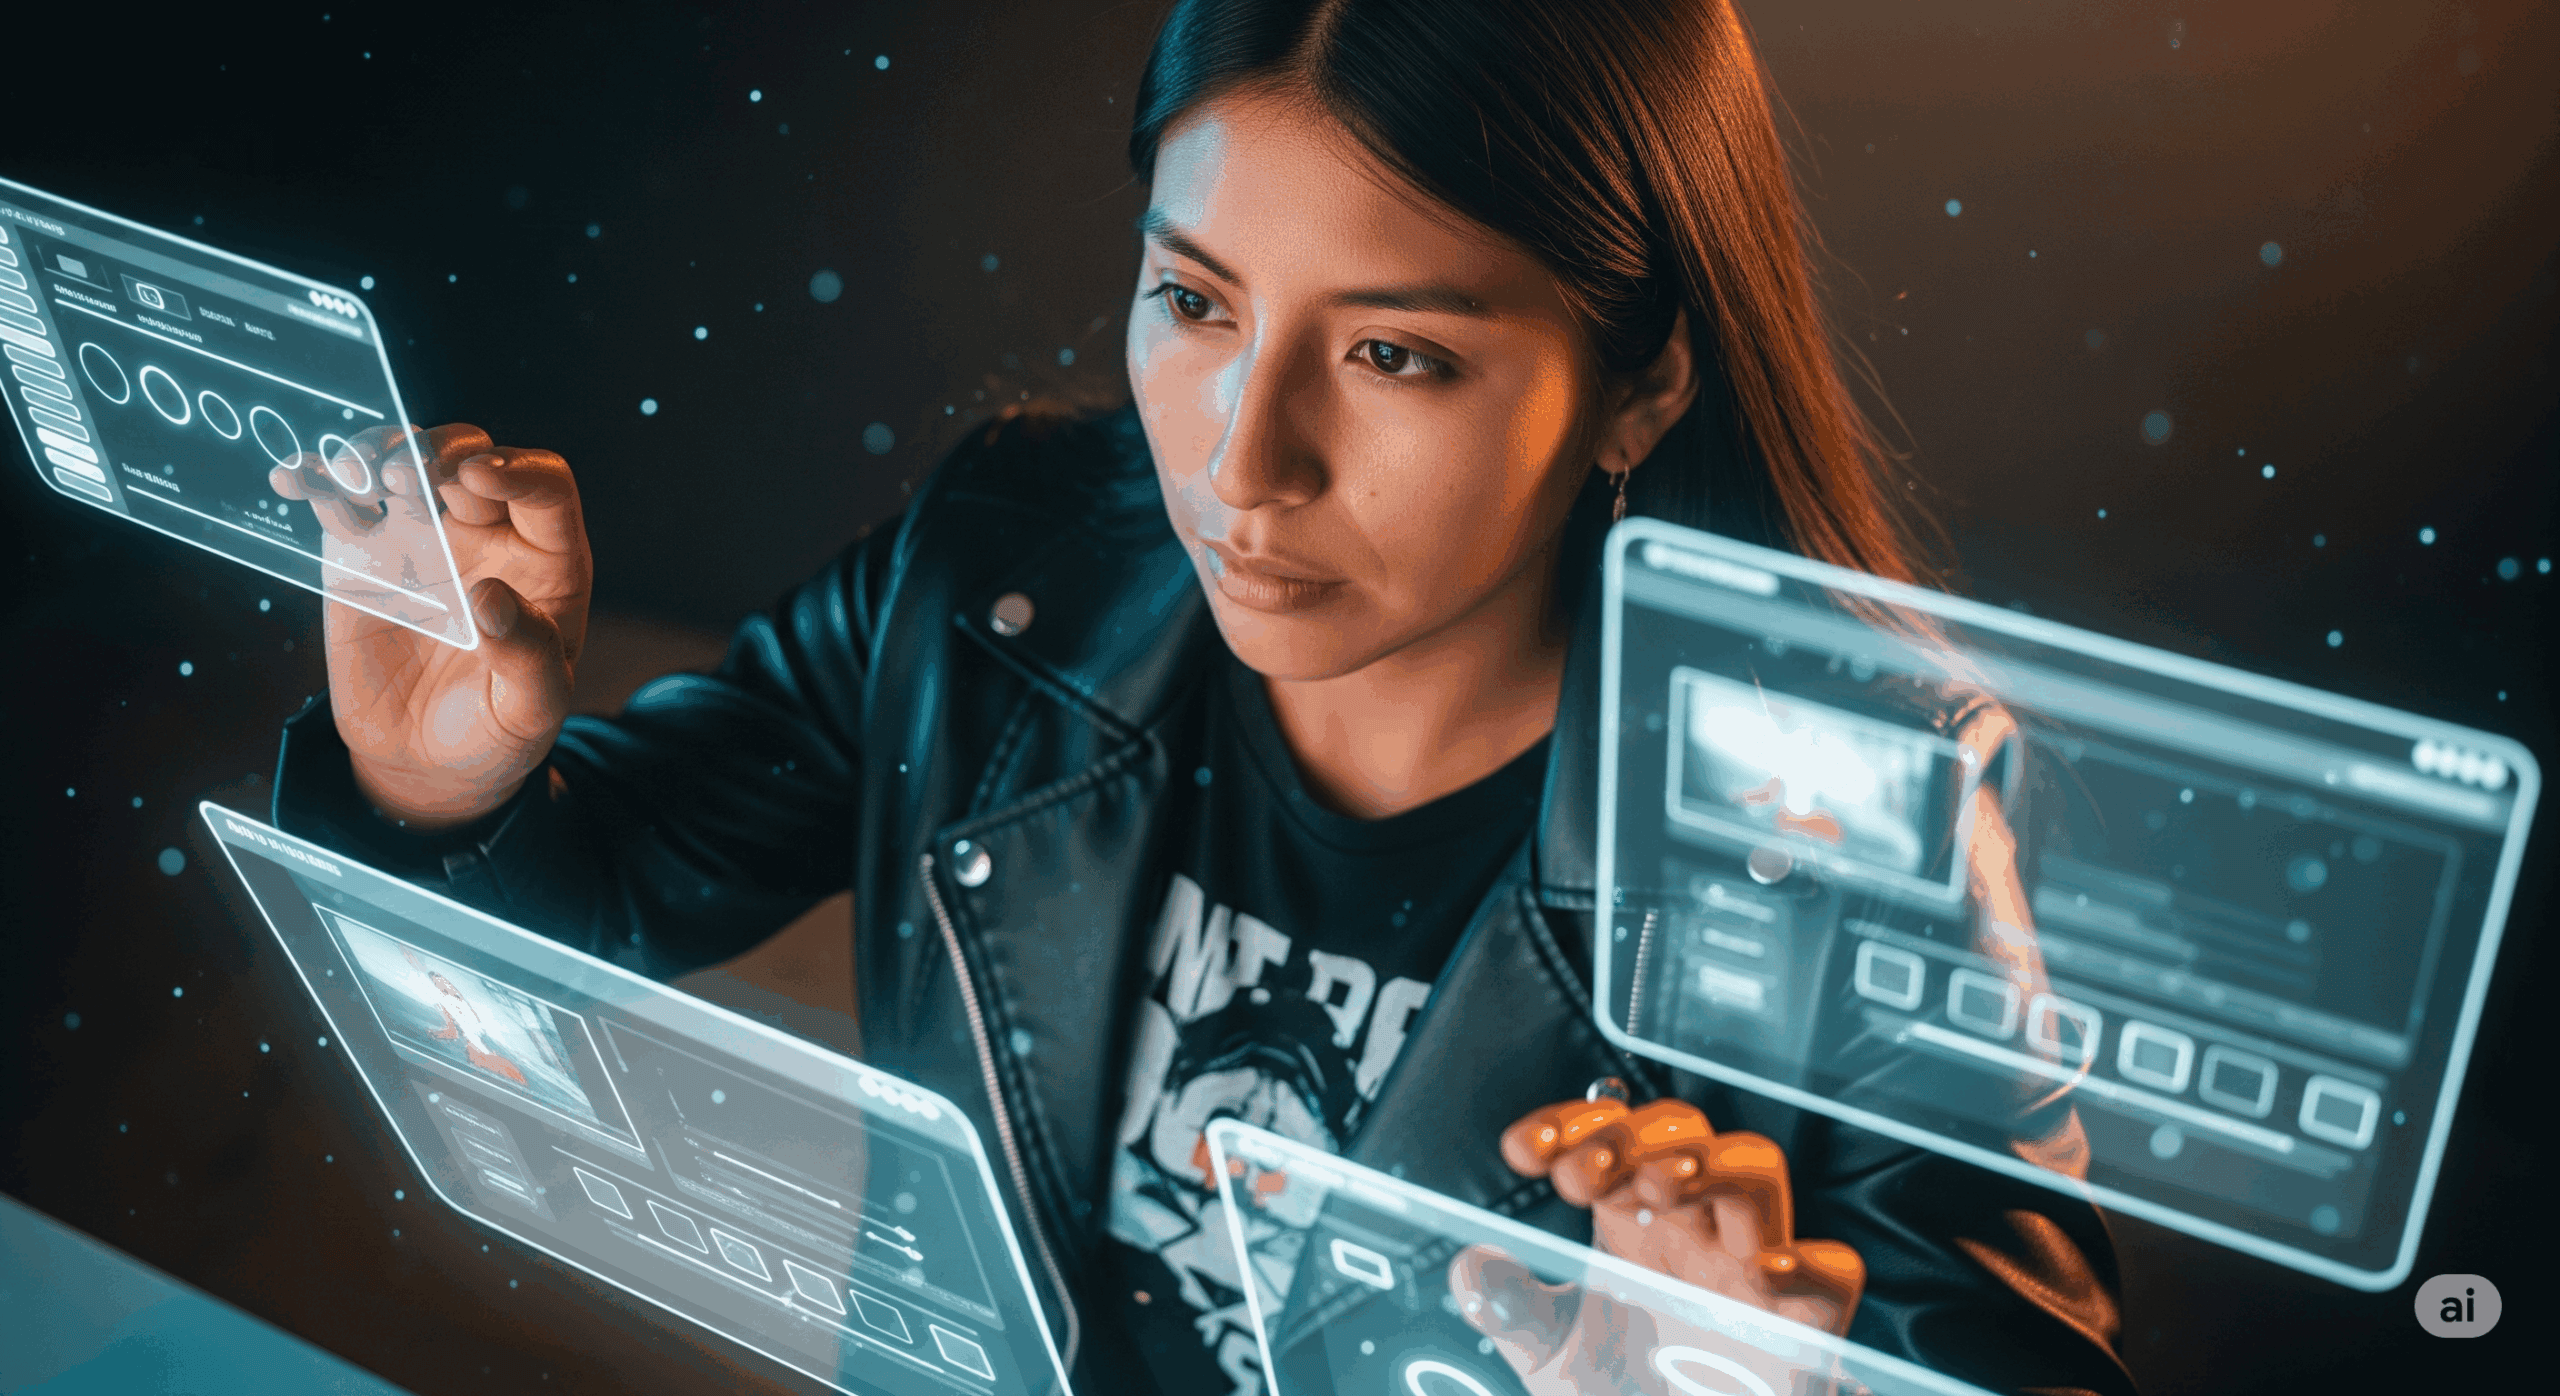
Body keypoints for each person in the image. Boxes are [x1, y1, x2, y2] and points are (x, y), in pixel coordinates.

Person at [267, 1, 2135, 1391]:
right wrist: (439, 791)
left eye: (1396, 352)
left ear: (1641, 387)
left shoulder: (1853, 802)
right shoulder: (1012, 566)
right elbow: (582, 911)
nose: (1247, 464)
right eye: (1199, 302)